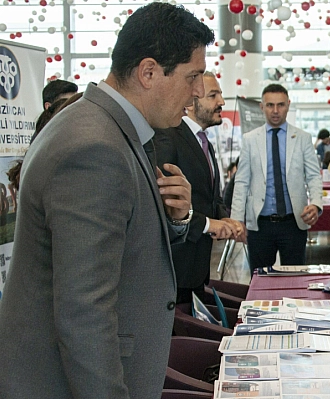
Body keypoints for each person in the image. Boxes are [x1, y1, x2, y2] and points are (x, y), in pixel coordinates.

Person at [0, 3, 209, 398]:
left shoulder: (109, 129)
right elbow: (85, 312)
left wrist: (178, 220)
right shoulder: (96, 148)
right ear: (149, 72)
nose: (197, 91)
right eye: (192, 76)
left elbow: (128, 246)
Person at [154, 71, 244, 304]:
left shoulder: (204, 142)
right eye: (213, 95)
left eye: (221, 94)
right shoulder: (168, 138)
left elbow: (210, 198)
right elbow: (164, 204)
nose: (221, 102)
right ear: (191, 102)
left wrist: (224, 219)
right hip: (175, 271)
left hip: (198, 268)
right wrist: (207, 224)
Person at [231, 84, 323, 272]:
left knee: (296, 279)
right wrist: (237, 219)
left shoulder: (303, 138)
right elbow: (241, 181)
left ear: (288, 105)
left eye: (280, 105)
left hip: (294, 222)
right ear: (261, 107)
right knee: (260, 280)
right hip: (260, 224)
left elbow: (313, 175)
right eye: (270, 105)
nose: (275, 111)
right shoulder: (250, 139)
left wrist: (316, 203)